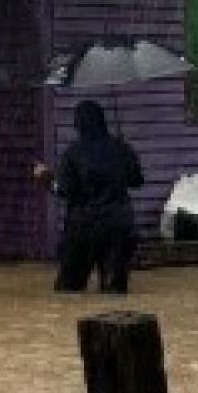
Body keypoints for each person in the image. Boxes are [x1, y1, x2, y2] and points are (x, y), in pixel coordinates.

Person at [37, 100, 144, 293]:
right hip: (118, 226)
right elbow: (137, 181)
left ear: (78, 124)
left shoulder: (74, 153)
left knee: (68, 290)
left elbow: (64, 190)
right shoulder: (122, 148)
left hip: (83, 229)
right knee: (114, 292)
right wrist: (126, 154)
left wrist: (45, 179)